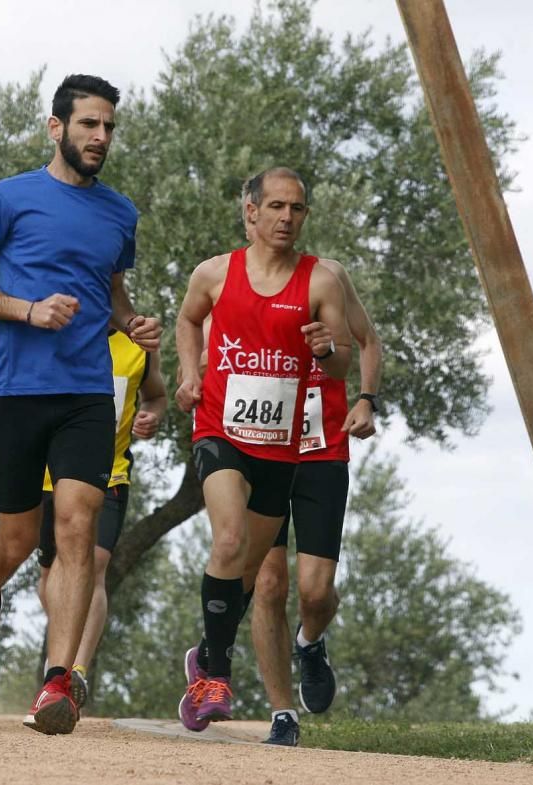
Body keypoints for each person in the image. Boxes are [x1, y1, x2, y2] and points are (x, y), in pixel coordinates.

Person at [0, 74, 161, 735]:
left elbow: (112, 291)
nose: (101, 137)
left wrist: (131, 324)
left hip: (87, 392)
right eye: (90, 124)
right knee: (14, 537)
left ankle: (58, 679)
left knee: (76, 529)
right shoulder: (11, 198)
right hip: (17, 391)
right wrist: (27, 310)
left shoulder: (120, 213)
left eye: (110, 127)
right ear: (56, 126)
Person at [173, 166, 350, 732]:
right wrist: (188, 373)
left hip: (282, 448)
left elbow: (344, 357)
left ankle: (205, 652)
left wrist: (327, 352)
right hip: (220, 430)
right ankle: (215, 675)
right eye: (275, 206)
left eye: (296, 209)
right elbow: (187, 319)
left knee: (246, 575)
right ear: (249, 211)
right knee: (227, 539)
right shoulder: (214, 274)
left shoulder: (319, 281)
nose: (285, 218)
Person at [249, 258, 382, 746]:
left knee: (314, 591)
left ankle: (309, 642)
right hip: (262, 448)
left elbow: (368, 341)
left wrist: (366, 400)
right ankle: (283, 713)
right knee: (268, 583)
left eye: (294, 209)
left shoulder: (329, 277)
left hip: (322, 449)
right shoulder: (239, 282)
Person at [35, 332, 167, 710]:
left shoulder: (138, 345)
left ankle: (74, 668)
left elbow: (156, 396)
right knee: (50, 576)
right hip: (46, 478)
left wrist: (151, 416)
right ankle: (61, 650)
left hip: (110, 475)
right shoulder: (56, 331)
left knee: (93, 564)